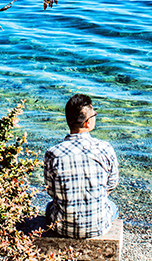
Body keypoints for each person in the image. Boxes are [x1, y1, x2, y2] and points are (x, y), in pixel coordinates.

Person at [44, 94, 119, 238]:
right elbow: (111, 185)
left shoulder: (52, 154)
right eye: (94, 115)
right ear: (87, 123)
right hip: (99, 227)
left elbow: (51, 191)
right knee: (113, 207)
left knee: (48, 207)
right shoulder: (105, 149)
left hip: (63, 229)